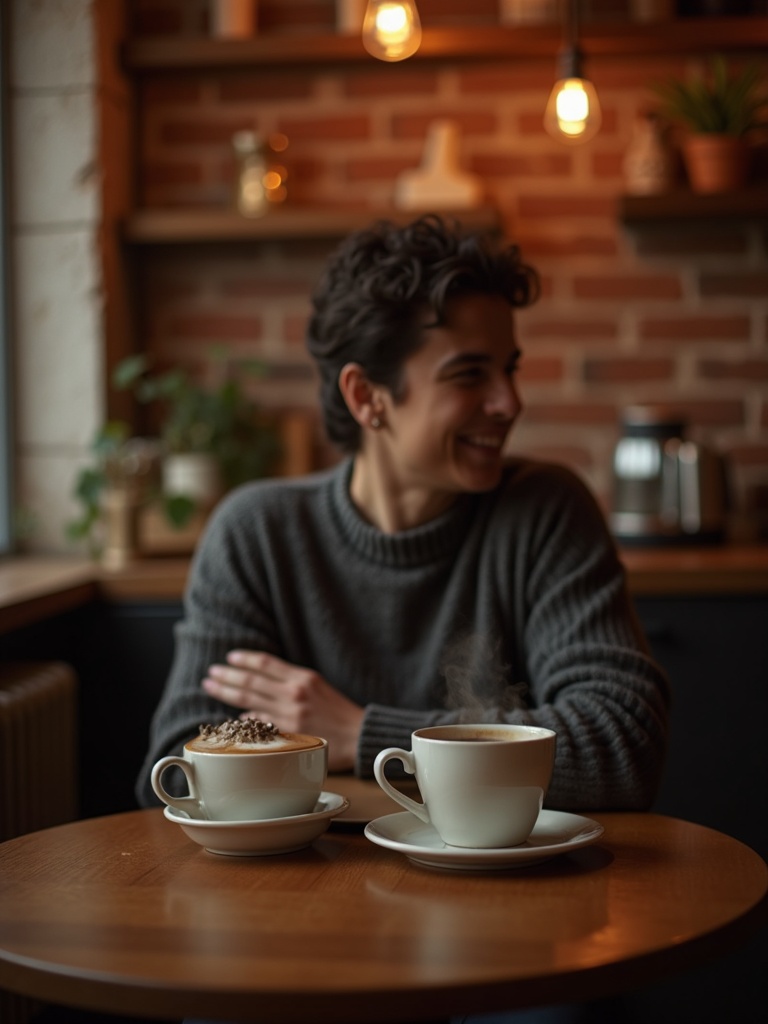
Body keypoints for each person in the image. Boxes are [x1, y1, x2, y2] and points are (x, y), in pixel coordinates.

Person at [136, 213, 669, 817]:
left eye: (509, 369)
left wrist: (361, 734)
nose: (509, 402)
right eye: (470, 374)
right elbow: (176, 772)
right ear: (367, 397)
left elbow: (622, 744)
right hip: (307, 876)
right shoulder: (256, 535)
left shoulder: (546, 512)